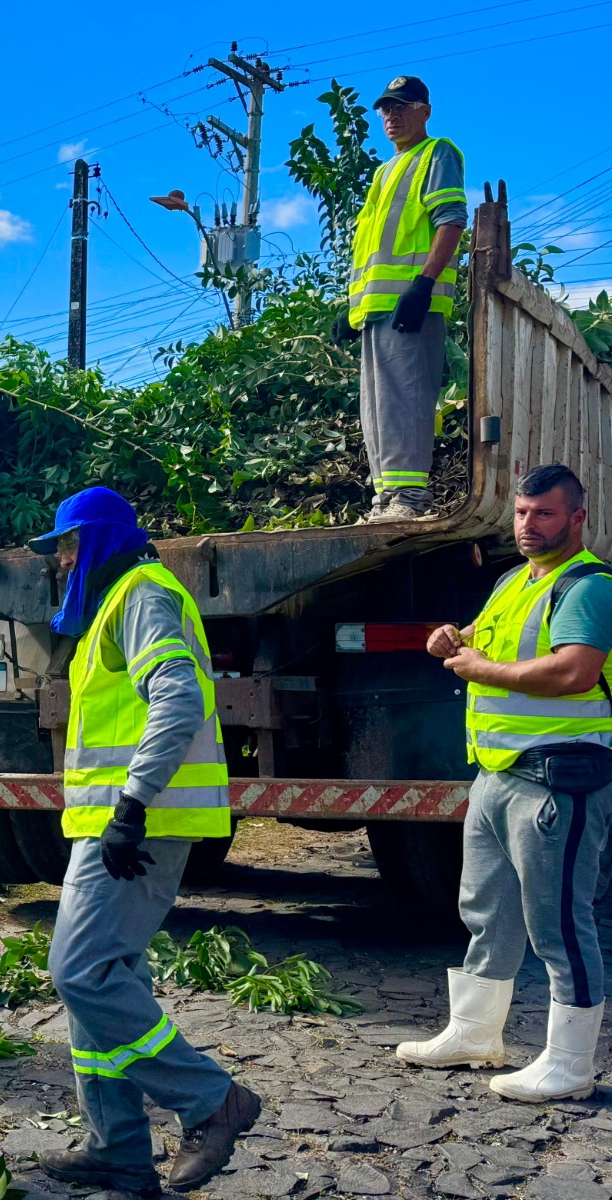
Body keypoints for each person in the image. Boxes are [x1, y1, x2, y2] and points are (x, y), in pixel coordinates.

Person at [30, 488, 261, 1197]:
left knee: (82, 973)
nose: (62, 562)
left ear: (97, 542)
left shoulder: (141, 594)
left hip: (138, 828)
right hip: (117, 826)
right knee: (107, 980)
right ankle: (120, 1150)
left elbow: (181, 699)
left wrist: (130, 805)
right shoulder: (121, 599)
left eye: (67, 547)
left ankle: (212, 1100)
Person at [397, 464, 612, 1101]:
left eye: (544, 513)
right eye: (521, 512)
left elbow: (573, 672)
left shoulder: (589, 587)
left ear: (577, 518)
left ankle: (570, 1063)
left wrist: (482, 668)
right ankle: (473, 1033)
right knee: (486, 913)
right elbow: (485, 643)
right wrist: (452, 637)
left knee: (560, 923)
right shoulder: (512, 581)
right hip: (496, 775)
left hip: (557, 778)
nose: (527, 525)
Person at [331, 74, 467, 523]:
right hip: (377, 309)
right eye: (387, 108)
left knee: (407, 399)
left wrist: (424, 285)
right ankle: (385, 500)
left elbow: (450, 222)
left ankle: (409, 499)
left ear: (424, 111)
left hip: (412, 303)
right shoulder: (384, 171)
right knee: (378, 408)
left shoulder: (436, 153)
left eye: (403, 106)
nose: (392, 115)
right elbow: (374, 248)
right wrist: (351, 307)